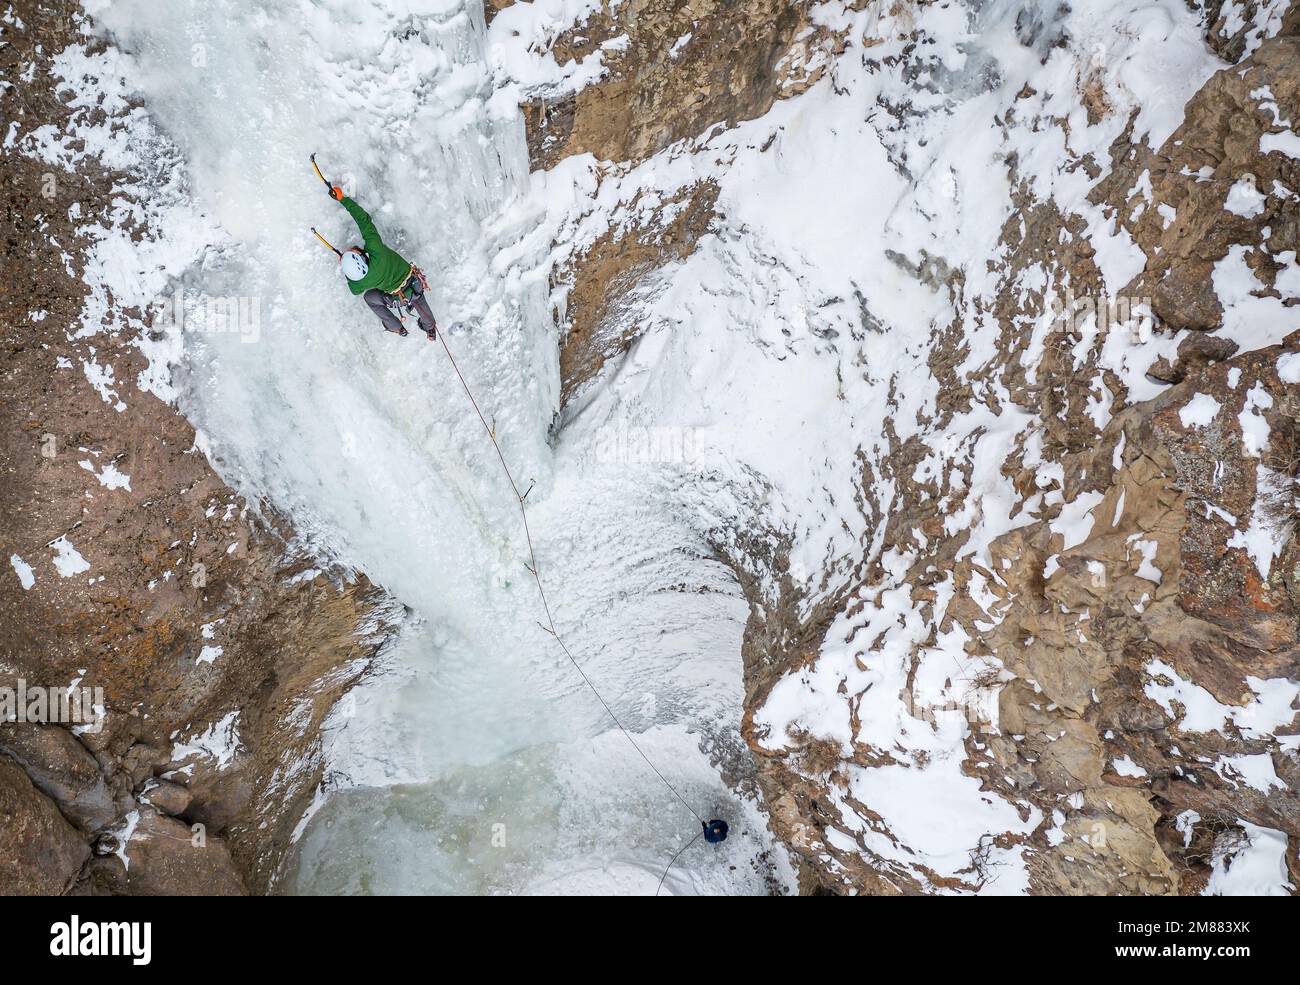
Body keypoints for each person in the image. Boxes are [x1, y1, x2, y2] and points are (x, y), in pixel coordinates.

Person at [328, 185, 438, 341]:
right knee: (418, 298)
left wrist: (346, 268)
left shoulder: (360, 281)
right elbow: (363, 220)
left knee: (370, 298)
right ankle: (430, 328)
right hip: (414, 284)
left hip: (397, 299)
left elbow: (354, 289)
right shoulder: (375, 248)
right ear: (362, 257)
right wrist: (342, 199)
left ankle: (396, 327)